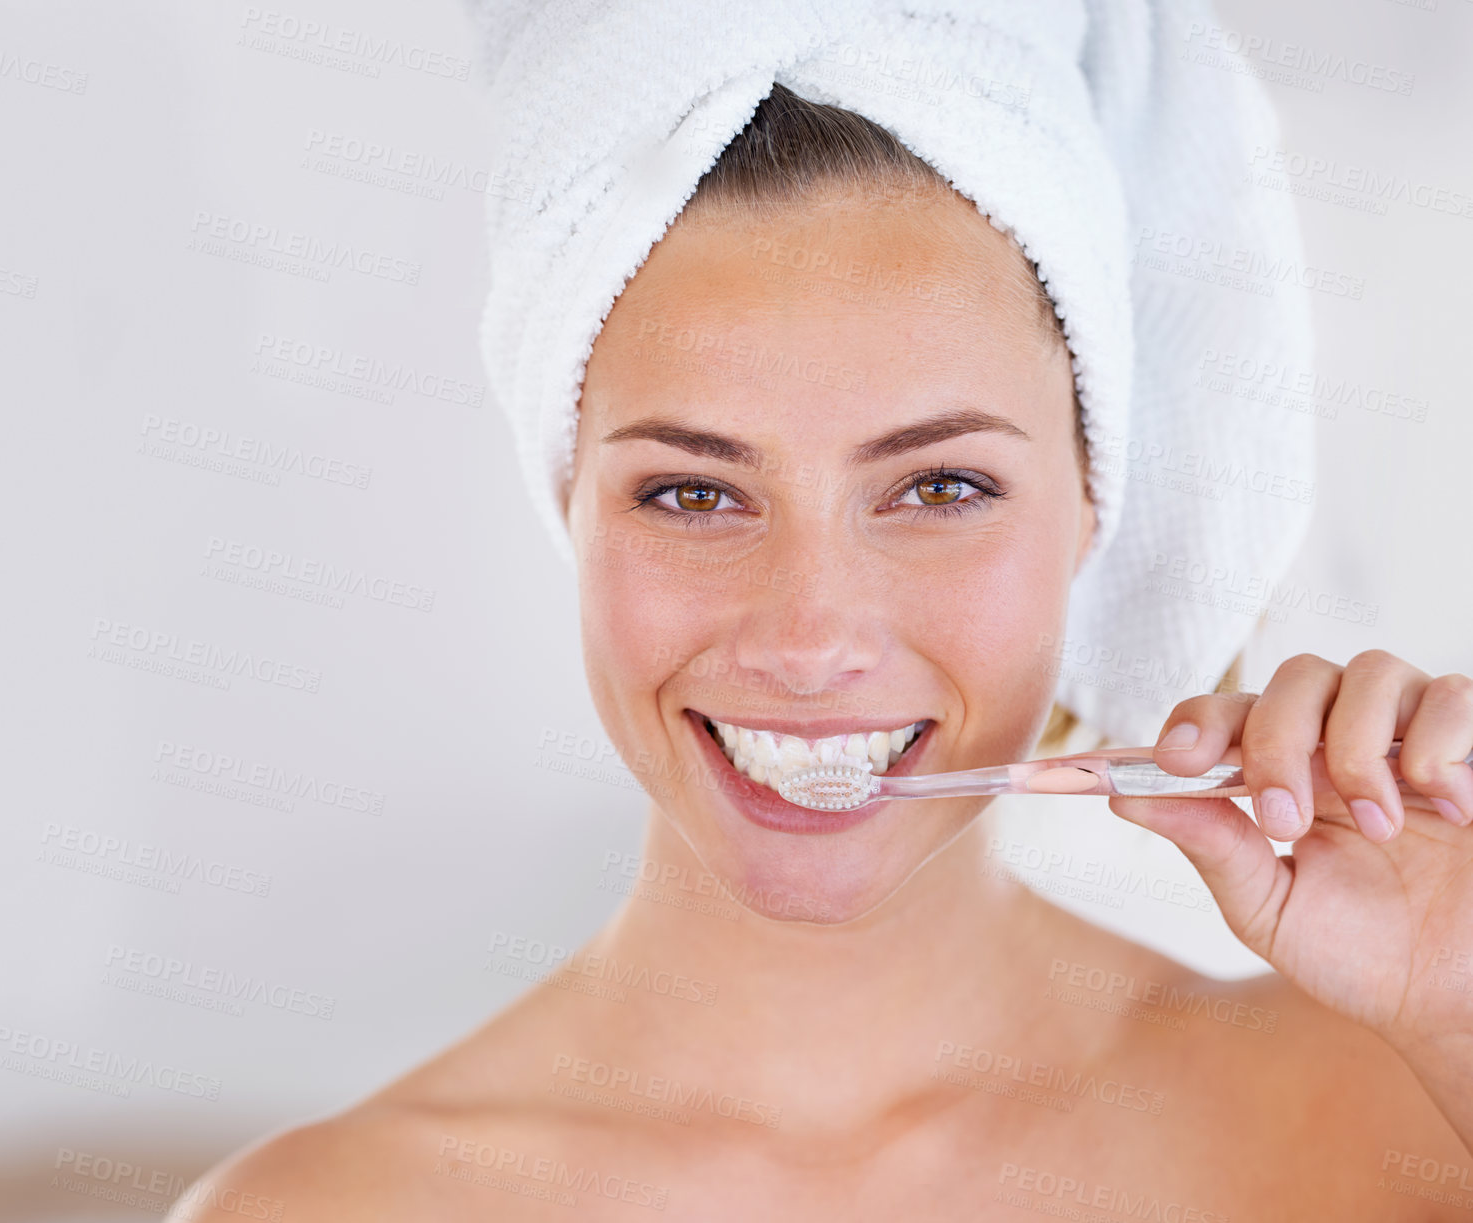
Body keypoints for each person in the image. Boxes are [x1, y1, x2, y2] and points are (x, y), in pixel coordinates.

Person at [171, 83, 1473, 1220]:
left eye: (938, 488)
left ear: (1094, 506)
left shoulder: (1400, 1126)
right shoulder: (324, 1214)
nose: (807, 640)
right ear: (568, 507)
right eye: (690, 493)